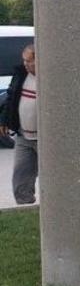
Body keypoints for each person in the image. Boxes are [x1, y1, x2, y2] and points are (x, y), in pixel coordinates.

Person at [2, 45, 38, 204]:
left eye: (29, 61)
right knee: (21, 174)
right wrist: (4, 120)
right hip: (23, 136)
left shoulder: (50, 78)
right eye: (24, 60)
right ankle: (25, 204)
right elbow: (10, 98)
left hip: (45, 138)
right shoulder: (21, 75)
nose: (25, 64)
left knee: (55, 175)